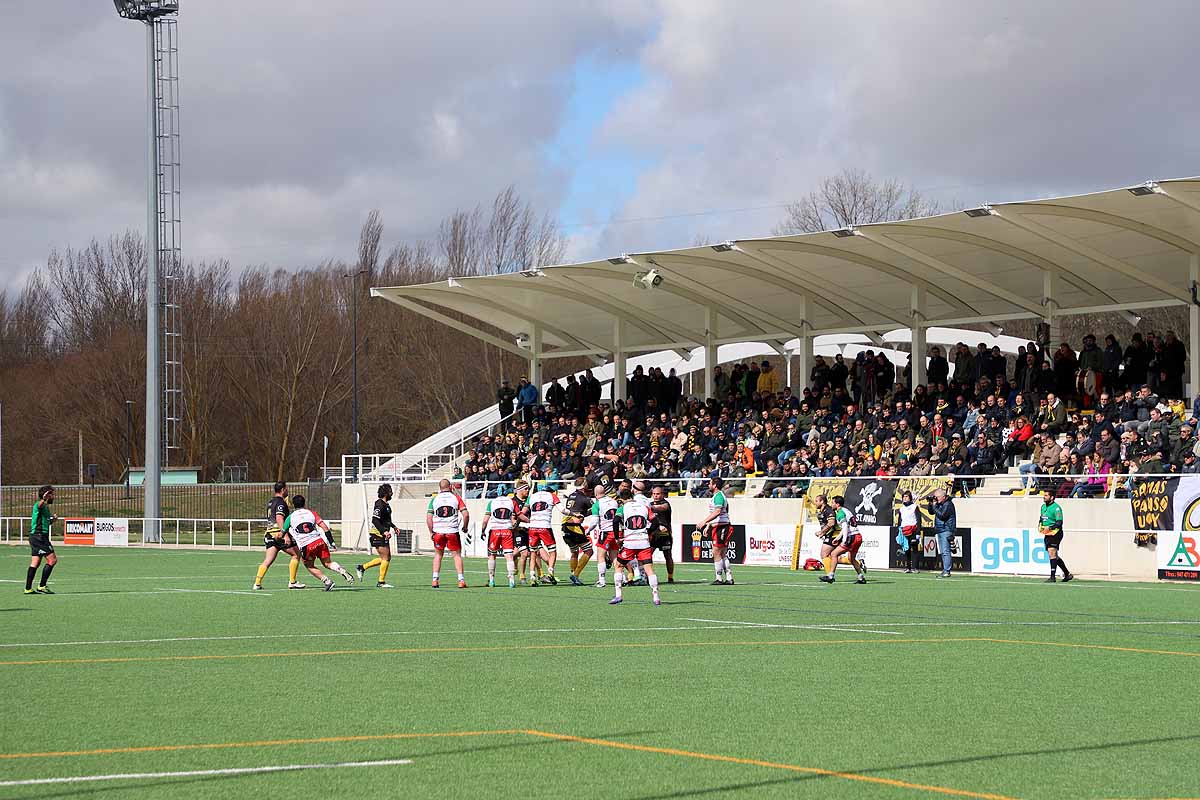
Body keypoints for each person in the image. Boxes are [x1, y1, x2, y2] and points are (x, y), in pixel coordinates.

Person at [284, 494, 354, 591]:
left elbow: (283, 532)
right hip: (319, 541)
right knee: (328, 563)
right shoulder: (312, 513)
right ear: (304, 503)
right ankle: (341, 570)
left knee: (309, 565)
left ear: (293, 505)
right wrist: (331, 542)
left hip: (306, 545)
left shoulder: (290, 517)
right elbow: (324, 527)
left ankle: (327, 581)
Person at [609, 487, 661, 606]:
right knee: (649, 569)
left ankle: (618, 595)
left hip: (630, 543)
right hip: (644, 542)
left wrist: (617, 538)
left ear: (621, 499)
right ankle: (656, 597)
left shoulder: (622, 508)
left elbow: (615, 521)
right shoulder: (644, 507)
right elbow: (656, 522)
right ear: (632, 496)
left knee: (619, 566)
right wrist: (648, 532)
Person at [252, 481, 303, 590]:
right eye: (287, 489)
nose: (287, 491)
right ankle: (292, 582)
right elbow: (280, 518)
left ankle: (257, 583)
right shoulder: (281, 503)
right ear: (283, 489)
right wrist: (285, 535)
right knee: (296, 554)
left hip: (269, 534)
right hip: (278, 534)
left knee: (268, 560)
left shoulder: (271, 502)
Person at [426, 478, 469, 589]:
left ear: (440, 488)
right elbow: (466, 514)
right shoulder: (456, 498)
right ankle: (461, 580)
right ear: (450, 487)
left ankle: (435, 580)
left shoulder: (434, 500)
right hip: (452, 531)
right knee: (457, 555)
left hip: (438, 531)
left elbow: (429, 518)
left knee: (438, 555)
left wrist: (431, 531)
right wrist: (465, 527)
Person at [696, 476, 734, 585]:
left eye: (710, 483)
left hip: (722, 527)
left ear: (715, 485)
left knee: (717, 552)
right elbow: (717, 514)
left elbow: (717, 512)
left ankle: (719, 578)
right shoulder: (717, 496)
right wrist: (709, 525)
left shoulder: (718, 496)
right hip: (719, 526)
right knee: (722, 553)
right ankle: (728, 578)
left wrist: (704, 522)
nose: (708, 485)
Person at [357, 483, 396, 588]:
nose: (391, 493)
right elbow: (375, 519)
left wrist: (394, 527)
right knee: (386, 558)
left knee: (386, 557)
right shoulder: (379, 504)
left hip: (382, 534)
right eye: (390, 491)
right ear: (386, 493)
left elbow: (386, 520)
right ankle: (381, 582)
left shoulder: (386, 505)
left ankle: (362, 567)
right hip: (377, 534)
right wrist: (384, 531)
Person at [483, 485, 520, 588]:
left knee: (492, 555)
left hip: (495, 531)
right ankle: (511, 580)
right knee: (509, 556)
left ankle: (491, 579)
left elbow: (485, 520)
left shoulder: (492, 502)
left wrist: (483, 530)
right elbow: (519, 516)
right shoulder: (512, 502)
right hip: (507, 531)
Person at [560, 476, 594, 585]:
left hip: (565, 526)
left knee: (574, 552)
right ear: (584, 485)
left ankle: (573, 573)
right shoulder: (584, 498)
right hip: (574, 527)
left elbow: (578, 511)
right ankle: (576, 575)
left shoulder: (571, 495)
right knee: (589, 550)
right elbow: (595, 508)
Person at [525, 482, 560, 585]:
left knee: (532, 553)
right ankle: (551, 573)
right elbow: (563, 510)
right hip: (545, 527)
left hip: (533, 527)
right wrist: (573, 513)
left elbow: (523, 512)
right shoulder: (552, 495)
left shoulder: (531, 497)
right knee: (552, 551)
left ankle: (532, 577)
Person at [25, 485, 58, 594]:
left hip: (35, 536)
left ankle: (28, 588)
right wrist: (43, 499)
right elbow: (39, 505)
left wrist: (52, 520)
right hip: (39, 536)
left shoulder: (46, 507)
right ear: (47, 495)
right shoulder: (39, 504)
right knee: (52, 560)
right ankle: (42, 586)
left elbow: (45, 522)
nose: (54, 496)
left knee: (35, 562)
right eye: (52, 494)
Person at [830, 495, 867, 584]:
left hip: (852, 537)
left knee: (834, 554)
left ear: (837, 504)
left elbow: (845, 527)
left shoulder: (840, 513)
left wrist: (844, 540)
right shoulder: (846, 510)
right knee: (851, 558)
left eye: (832, 503)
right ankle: (861, 577)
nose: (831, 504)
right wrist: (839, 537)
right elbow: (846, 526)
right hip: (858, 536)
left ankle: (831, 576)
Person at [1040, 490, 1073, 583]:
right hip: (1047, 534)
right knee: (1054, 556)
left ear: (1052, 497)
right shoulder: (1043, 507)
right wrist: (1040, 525)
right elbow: (1041, 518)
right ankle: (1067, 574)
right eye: (1044, 495)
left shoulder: (1057, 508)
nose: (1044, 497)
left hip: (1056, 533)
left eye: (1046, 495)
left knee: (1052, 552)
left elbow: (1059, 522)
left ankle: (1052, 577)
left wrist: (1050, 527)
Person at [590, 484, 620, 588]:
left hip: (606, 532)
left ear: (595, 494)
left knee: (600, 555)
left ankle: (601, 580)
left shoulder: (597, 504)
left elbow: (594, 522)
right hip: (616, 532)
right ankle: (621, 578)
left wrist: (588, 530)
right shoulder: (614, 501)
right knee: (614, 556)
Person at [648, 483, 675, 583]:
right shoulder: (650, 504)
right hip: (653, 534)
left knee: (667, 556)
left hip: (664, 534)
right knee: (648, 554)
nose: (655, 495)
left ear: (662, 494)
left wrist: (646, 506)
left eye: (658, 494)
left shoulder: (665, 504)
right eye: (654, 494)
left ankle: (670, 577)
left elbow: (661, 508)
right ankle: (648, 575)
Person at [929, 488, 956, 578]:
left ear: (943, 497)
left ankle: (947, 570)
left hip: (946, 529)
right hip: (940, 529)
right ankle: (945, 569)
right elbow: (931, 512)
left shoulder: (948, 504)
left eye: (937, 497)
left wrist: (934, 505)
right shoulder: (939, 504)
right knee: (943, 551)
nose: (936, 499)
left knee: (945, 551)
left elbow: (942, 515)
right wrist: (931, 504)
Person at [814, 494, 841, 583]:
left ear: (822, 502)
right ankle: (859, 563)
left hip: (834, 535)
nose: (815, 503)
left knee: (824, 555)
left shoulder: (828, 510)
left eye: (817, 501)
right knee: (833, 556)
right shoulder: (822, 511)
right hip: (830, 535)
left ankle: (830, 576)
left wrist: (822, 532)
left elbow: (831, 523)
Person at [896, 489, 920, 573]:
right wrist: (899, 530)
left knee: (914, 549)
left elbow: (918, 519)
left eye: (907, 497)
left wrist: (918, 532)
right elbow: (900, 520)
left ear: (910, 498)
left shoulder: (914, 507)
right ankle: (908, 567)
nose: (905, 498)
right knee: (906, 549)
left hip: (913, 530)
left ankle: (915, 567)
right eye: (904, 497)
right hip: (904, 531)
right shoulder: (901, 509)